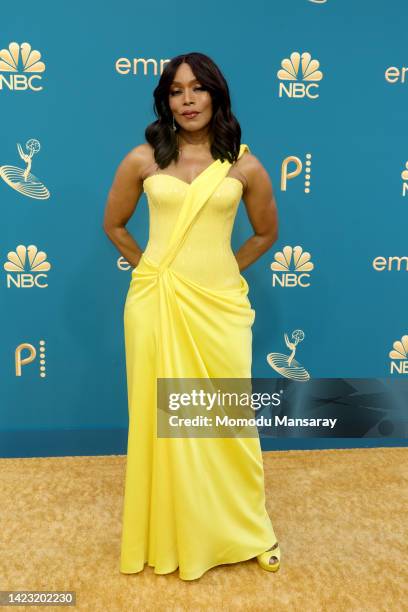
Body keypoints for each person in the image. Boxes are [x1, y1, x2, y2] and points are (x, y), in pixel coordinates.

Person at [103, 51, 280, 581]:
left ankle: (244, 529)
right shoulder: (141, 160)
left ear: (216, 96)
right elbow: (115, 224)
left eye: (198, 88)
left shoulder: (244, 165)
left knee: (225, 424)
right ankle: (170, 534)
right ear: (165, 99)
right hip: (156, 304)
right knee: (162, 423)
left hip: (218, 306)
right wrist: (155, 270)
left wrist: (225, 270)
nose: (187, 99)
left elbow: (266, 233)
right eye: (177, 90)